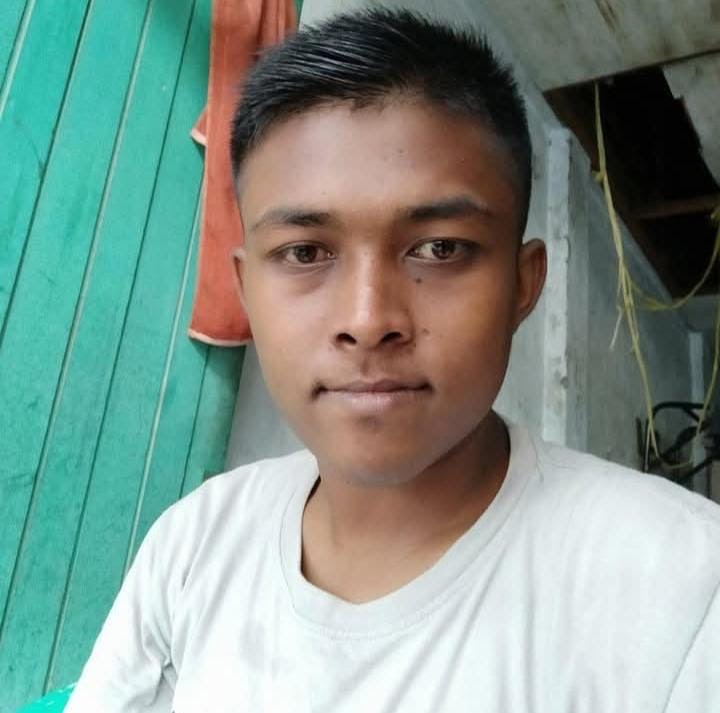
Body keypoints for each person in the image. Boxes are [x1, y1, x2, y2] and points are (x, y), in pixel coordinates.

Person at [66, 9, 720, 712]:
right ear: (247, 289)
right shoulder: (193, 545)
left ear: (523, 285)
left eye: (440, 248)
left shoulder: (684, 589)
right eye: (305, 252)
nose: (368, 319)